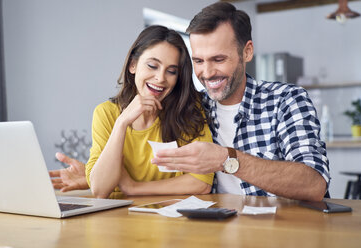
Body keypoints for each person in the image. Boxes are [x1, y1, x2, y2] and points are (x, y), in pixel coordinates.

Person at [51, 2, 330, 202]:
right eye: (198, 61)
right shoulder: (192, 107)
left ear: (247, 52)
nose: (207, 73)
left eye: (218, 59)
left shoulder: (286, 100)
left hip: (287, 230)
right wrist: (93, 178)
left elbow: (314, 184)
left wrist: (226, 159)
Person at [51, 25, 214, 198]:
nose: (160, 78)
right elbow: (100, 189)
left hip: (170, 220)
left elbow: (201, 183)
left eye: (171, 71)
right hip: (119, 220)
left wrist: (134, 188)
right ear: (133, 65)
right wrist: (122, 123)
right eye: (152, 66)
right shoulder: (106, 113)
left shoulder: (187, 111)